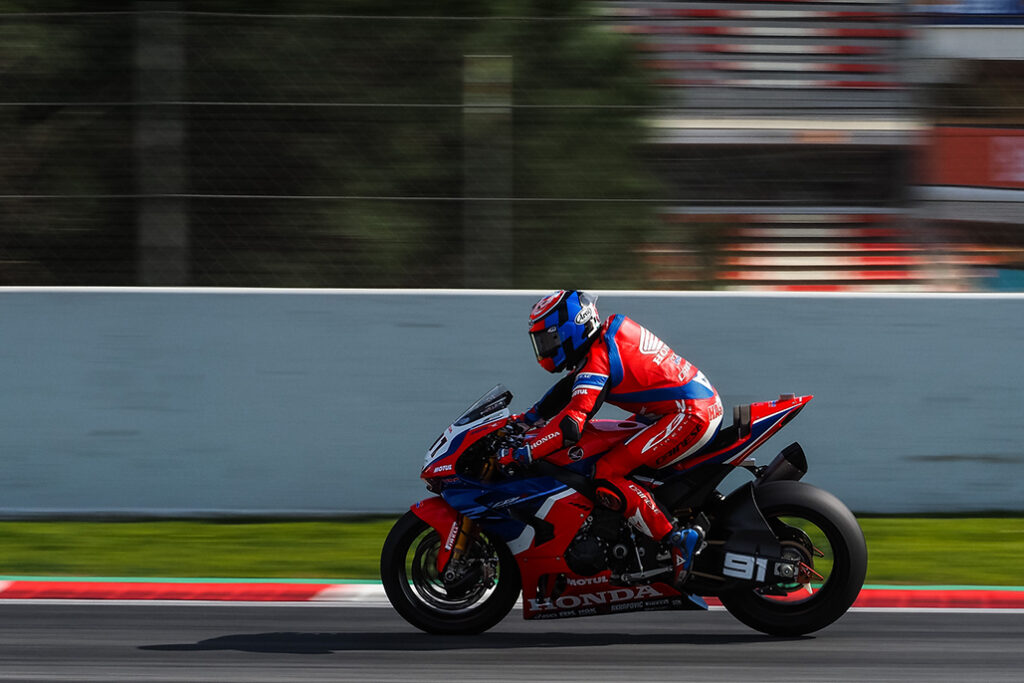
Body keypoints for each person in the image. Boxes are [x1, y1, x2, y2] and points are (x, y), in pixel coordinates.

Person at [497, 289, 724, 586]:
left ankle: (675, 539)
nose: (546, 349)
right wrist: (526, 420)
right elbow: (567, 389)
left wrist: (525, 452)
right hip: (678, 407)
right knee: (604, 445)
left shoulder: (599, 359)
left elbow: (570, 425)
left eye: (549, 340)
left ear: (571, 330)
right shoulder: (603, 340)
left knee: (606, 470)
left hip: (689, 414)